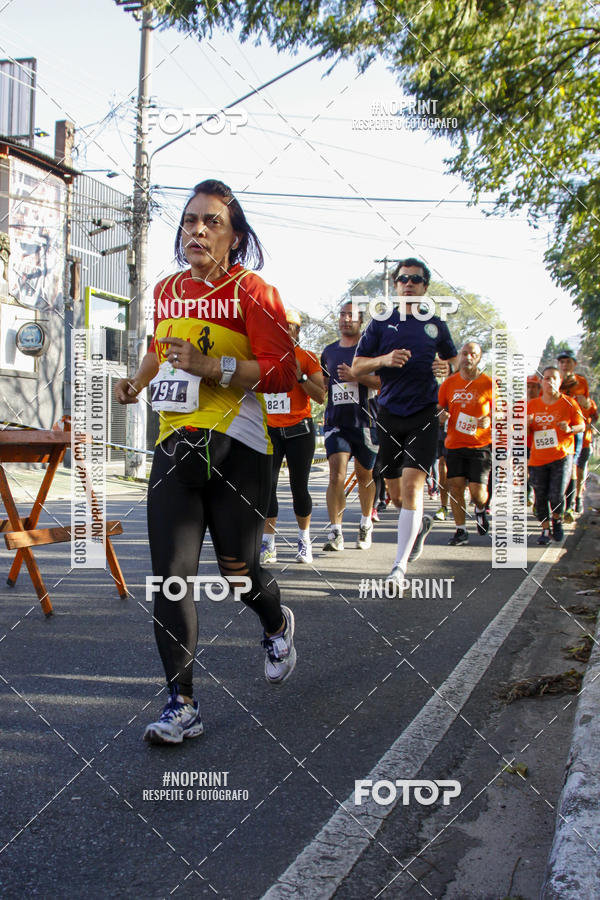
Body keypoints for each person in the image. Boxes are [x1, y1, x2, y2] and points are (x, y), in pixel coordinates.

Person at [114, 179, 297, 745]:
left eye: (211, 222)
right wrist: (136, 382)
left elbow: (282, 373)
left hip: (239, 448)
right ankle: (181, 704)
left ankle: (274, 622)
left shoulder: (254, 292)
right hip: (175, 447)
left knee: (238, 571)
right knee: (170, 580)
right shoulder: (167, 289)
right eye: (190, 220)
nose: (196, 229)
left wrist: (211, 367)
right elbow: (158, 347)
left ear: (234, 237)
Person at [351, 258, 458, 591]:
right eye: (403, 279)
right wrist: (384, 360)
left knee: (413, 487)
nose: (409, 284)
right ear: (395, 286)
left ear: (425, 287)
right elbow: (356, 368)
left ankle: (398, 567)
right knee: (397, 495)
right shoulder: (380, 324)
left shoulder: (436, 326)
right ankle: (421, 523)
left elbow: (453, 359)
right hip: (389, 414)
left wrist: (447, 367)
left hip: (424, 413)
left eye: (416, 279)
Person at [260, 308, 325, 564]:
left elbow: (321, 395)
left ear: (297, 330)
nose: (284, 330)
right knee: (268, 487)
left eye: (290, 326)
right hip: (271, 430)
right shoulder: (264, 357)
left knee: (300, 487)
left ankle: (304, 539)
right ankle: (269, 544)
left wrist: (300, 376)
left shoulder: (307, 356)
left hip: (300, 429)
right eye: (279, 325)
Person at [320, 302, 380, 551]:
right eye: (342, 314)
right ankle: (336, 531)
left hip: (365, 422)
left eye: (351, 316)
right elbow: (322, 385)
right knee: (336, 475)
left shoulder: (370, 351)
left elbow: (381, 383)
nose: (345, 319)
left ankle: (366, 523)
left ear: (360, 321)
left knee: (365, 477)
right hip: (336, 422)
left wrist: (358, 377)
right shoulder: (329, 352)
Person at [437, 341, 494, 545]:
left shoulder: (488, 383)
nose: (467, 357)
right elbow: (439, 407)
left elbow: (502, 411)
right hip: (454, 444)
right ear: (460, 356)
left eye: (473, 354)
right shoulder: (449, 383)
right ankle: (460, 530)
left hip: (480, 445)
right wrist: (441, 415)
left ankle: (480, 509)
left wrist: (490, 419)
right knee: (456, 487)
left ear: (478, 358)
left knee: (478, 494)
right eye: (464, 353)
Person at [527, 366, 584, 545]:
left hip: (562, 455)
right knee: (540, 496)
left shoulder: (569, 403)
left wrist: (569, 429)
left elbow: (581, 426)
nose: (550, 381)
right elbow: (522, 431)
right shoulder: (532, 405)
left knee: (557, 494)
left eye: (554, 378)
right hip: (538, 459)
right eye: (547, 378)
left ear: (559, 383)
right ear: (541, 382)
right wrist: (526, 424)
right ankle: (545, 530)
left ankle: (557, 519)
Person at [557, 349, 591, 521]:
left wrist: (583, 403)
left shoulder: (581, 382)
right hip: (555, 429)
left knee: (573, 466)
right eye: (562, 362)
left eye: (568, 362)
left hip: (574, 429)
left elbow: (586, 407)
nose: (564, 365)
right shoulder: (553, 380)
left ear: (574, 364)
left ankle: (570, 503)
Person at [575, 397, 598, 512]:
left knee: (580, 470)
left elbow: (595, 417)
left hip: (585, 442)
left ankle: (578, 498)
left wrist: (590, 425)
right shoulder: (565, 399)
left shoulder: (589, 402)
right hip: (568, 444)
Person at [526, 375, 542, 507]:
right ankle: (528, 492)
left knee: (538, 473)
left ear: (539, 388)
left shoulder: (544, 403)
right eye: (528, 386)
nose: (530, 390)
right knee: (526, 469)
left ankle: (538, 500)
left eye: (533, 386)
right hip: (525, 443)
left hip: (541, 444)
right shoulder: (521, 405)